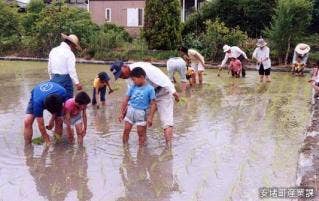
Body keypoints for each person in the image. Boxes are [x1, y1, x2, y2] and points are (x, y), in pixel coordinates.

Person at [111, 61, 179, 146]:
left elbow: (162, 78)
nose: (122, 77)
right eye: (119, 76)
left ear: (125, 66)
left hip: (162, 92)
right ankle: (143, 147)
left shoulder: (143, 68)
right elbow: (131, 96)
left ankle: (168, 149)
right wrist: (124, 110)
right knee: (143, 121)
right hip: (146, 96)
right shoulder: (128, 78)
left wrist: (174, 92)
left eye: (121, 73)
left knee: (167, 122)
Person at [118, 67, 156, 145]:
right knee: (126, 130)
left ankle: (141, 153)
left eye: (134, 79)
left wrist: (150, 117)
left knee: (141, 134)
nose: (133, 82)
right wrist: (121, 113)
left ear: (142, 77)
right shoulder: (132, 87)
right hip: (130, 111)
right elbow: (126, 100)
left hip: (141, 113)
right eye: (132, 80)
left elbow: (153, 104)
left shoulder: (150, 89)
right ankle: (125, 150)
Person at [48, 33, 83, 99]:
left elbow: (49, 68)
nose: (74, 49)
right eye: (74, 46)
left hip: (54, 79)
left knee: (55, 101)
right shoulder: (69, 53)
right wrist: (77, 83)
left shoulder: (53, 50)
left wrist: (51, 79)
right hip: (65, 80)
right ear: (72, 44)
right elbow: (71, 70)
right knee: (68, 101)